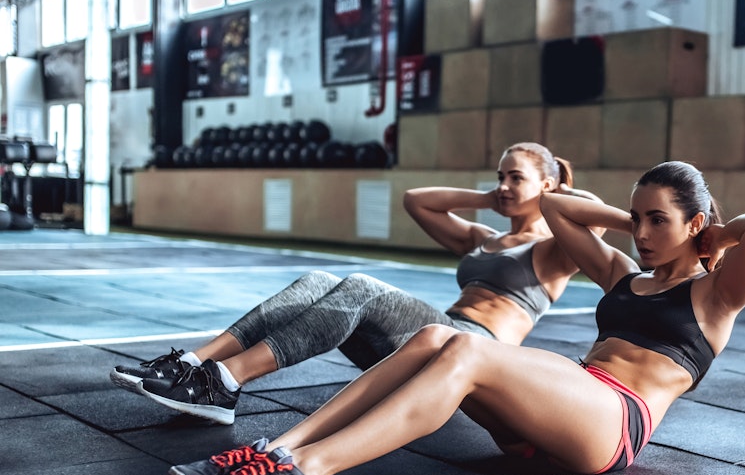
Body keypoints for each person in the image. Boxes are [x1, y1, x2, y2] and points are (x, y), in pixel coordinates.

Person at [174, 161, 745, 475]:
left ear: (696, 224)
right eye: (638, 218)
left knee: (466, 350)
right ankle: (278, 449)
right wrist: (633, 221)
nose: (645, 232)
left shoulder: (716, 297)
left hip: (611, 424)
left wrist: (713, 238)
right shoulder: (627, 274)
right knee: (437, 334)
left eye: (659, 220)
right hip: (551, 413)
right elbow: (554, 205)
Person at [111, 142, 599, 425]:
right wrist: (490, 196)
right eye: (500, 176)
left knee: (363, 286)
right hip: (433, 338)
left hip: (480, 351)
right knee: (319, 279)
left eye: (515, 178)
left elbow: (591, 213)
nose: (504, 186)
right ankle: (197, 363)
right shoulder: (483, 236)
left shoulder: (555, 250)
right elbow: (416, 201)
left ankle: (227, 381)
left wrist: (544, 194)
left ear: (550, 186)